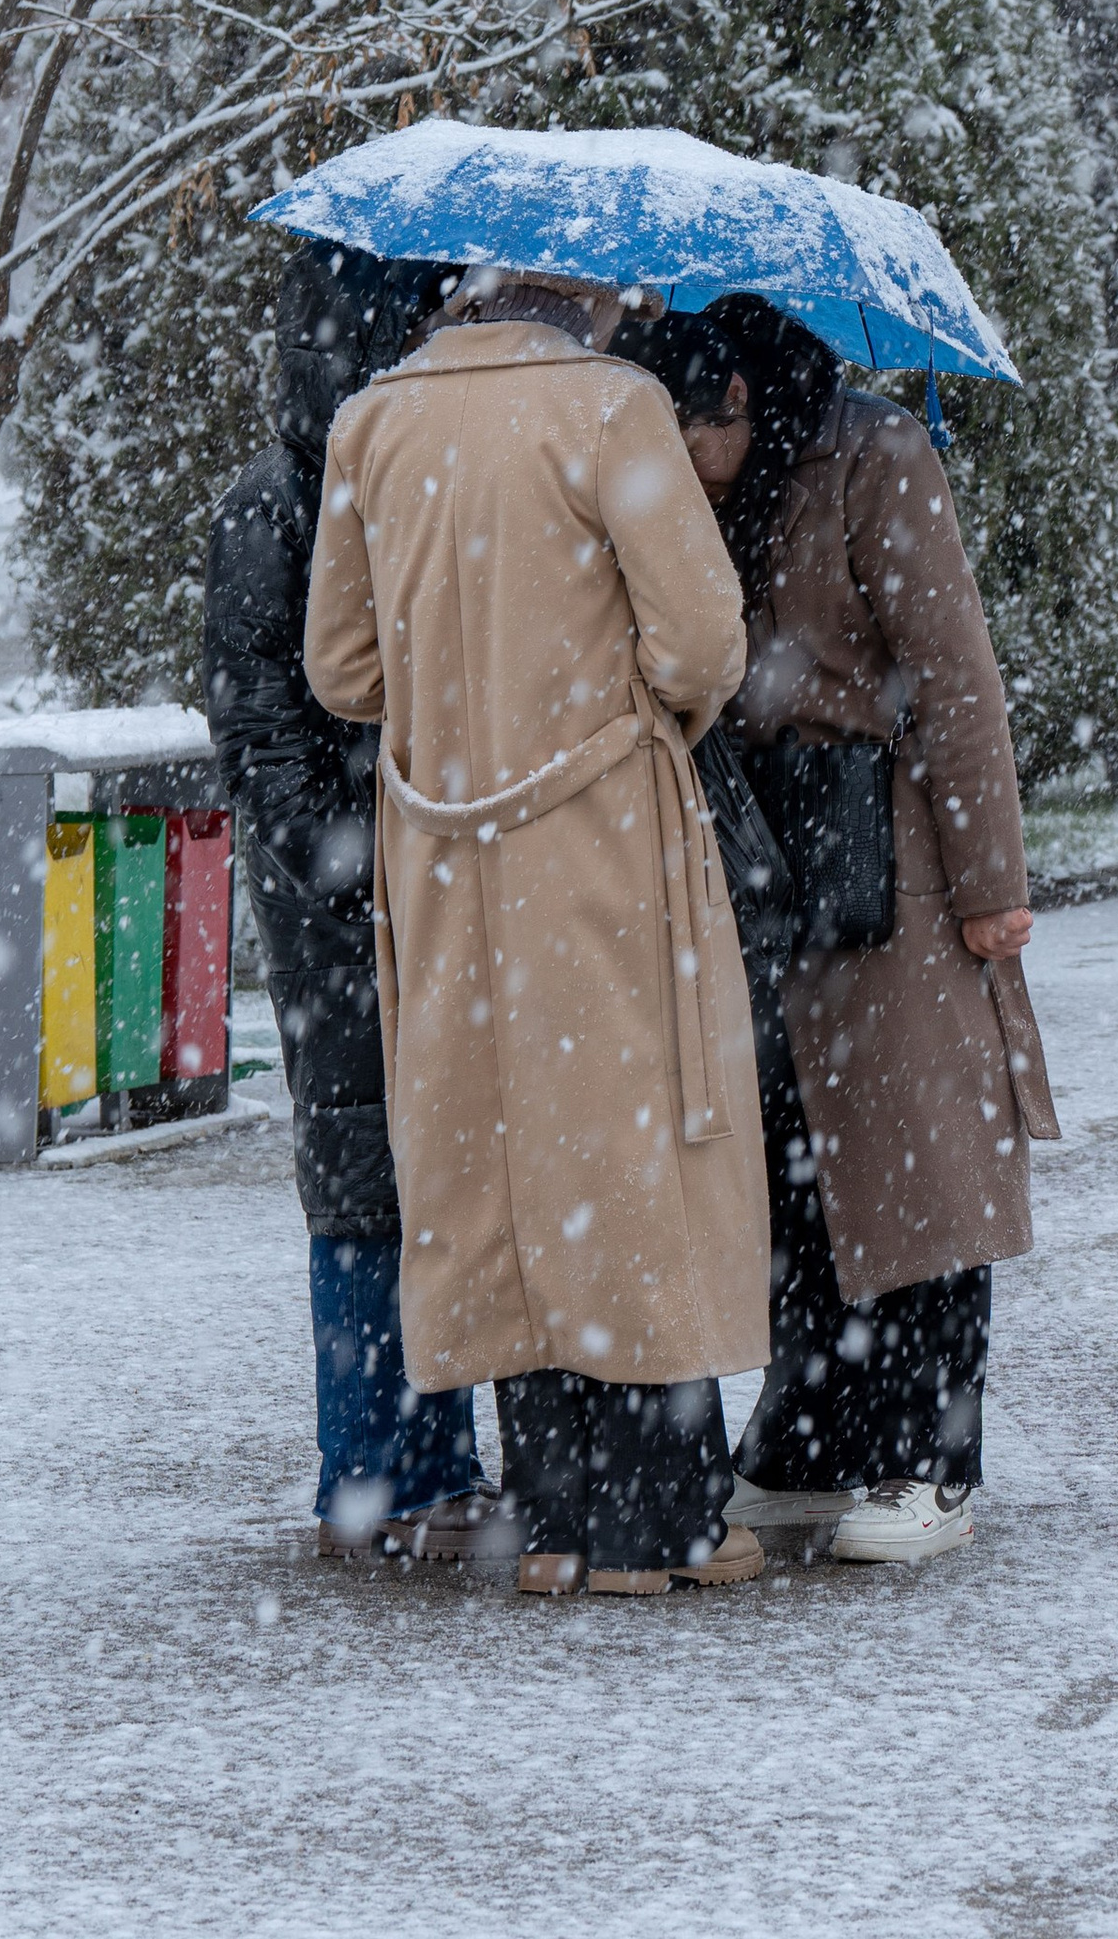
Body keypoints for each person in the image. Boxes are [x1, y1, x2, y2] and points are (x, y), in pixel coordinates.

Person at [303, 262, 771, 1599]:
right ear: (573, 288)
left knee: (494, 1154)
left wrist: (459, 691)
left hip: (440, 847)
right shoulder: (614, 409)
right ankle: (662, 1517)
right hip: (603, 828)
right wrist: (619, 689)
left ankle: (555, 1515)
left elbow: (342, 673)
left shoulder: (372, 421)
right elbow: (702, 641)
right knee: (636, 1152)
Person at [629, 292, 1056, 1568]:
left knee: (922, 1158)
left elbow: (957, 677)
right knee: (795, 1160)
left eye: (689, 435)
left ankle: (933, 1457)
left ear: (743, 402)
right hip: (765, 851)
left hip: (894, 844)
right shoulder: (708, 479)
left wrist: (990, 888)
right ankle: (811, 1438)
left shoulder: (880, 458)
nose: (677, 465)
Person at [203, 244, 494, 1564]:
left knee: (428, 1167)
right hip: (351, 898)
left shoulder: (370, 482)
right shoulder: (287, 504)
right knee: (370, 1173)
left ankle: (421, 1461)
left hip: (407, 877)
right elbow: (263, 725)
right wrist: (347, 870)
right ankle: (378, 1468)